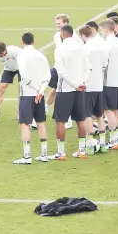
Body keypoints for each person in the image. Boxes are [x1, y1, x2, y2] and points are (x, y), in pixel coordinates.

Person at [49, 25, 91, 160]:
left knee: (60, 120)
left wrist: (74, 84)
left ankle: (61, 152)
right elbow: (88, 68)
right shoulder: (82, 48)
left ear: (62, 34)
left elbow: (61, 71)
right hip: (80, 89)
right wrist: (81, 83)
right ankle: (82, 150)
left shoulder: (60, 49)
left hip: (65, 89)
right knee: (80, 119)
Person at [12, 32, 51, 165]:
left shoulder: (21, 56)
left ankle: (27, 156)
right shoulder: (41, 55)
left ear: (22, 42)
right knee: (40, 122)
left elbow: (24, 76)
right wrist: (40, 90)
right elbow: (47, 76)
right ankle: (44, 154)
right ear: (34, 41)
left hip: (27, 94)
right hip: (39, 94)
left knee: (24, 124)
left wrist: (35, 89)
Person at [78, 25, 109, 154]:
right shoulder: (100, 47)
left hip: (88, 86)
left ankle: (90, 144)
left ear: (83, 36)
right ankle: (102, 144)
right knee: (100, 116)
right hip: (99, 85)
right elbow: (105, 64)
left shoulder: (85, 49)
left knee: (87, 115)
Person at [99, 19, 118, 150]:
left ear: (105, 29)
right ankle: (117, 138)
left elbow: (104, 63)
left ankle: (113, 140)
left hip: (108, 81)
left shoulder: (107, 44)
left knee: (108, 110)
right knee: (117, 110)